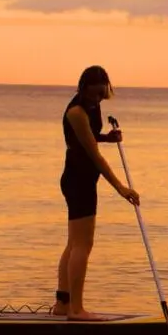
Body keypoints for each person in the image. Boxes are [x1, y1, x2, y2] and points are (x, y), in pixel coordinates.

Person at [53, 65, 140, 321]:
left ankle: (62, 304)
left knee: (74, 243)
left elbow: (89, 139)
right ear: (83, 89)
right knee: (83, 244)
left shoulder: (91, 107)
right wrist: (121, 188)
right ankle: (76, 310)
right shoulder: (76, 112)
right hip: (78, 179)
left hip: (82, 179)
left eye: (102, 95)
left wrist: (107, 137)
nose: (98, 100)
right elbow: (94, 156)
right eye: (94, 95)